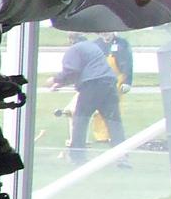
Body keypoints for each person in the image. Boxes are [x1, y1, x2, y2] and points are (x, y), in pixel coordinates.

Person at [49, 30, 128, 166]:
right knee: (114, 122)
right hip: (109, 84)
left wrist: (55, 80)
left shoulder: (74, 49)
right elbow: (83, 70)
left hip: (92, 86)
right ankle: (122, 157)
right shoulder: (93, 47)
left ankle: (77, 157)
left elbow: (71, 71)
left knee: (80, 119)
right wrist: (60, 83)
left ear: (71, 40)